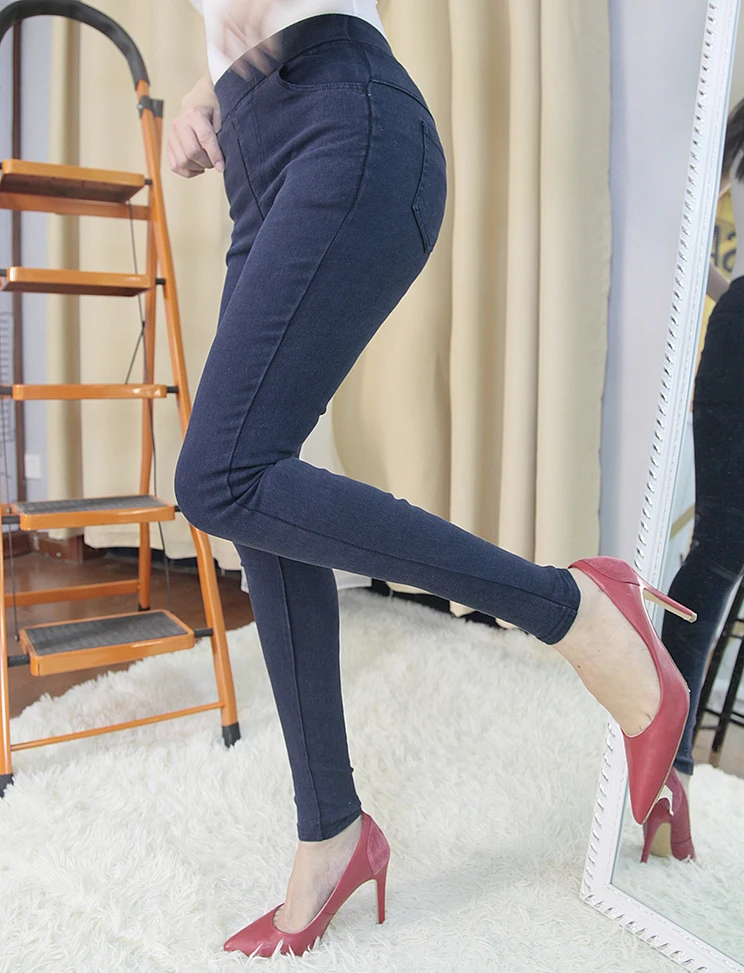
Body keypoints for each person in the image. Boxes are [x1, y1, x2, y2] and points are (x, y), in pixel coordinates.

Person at [169, 0, 695, 956]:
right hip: (256, 147)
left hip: (343, 115)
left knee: (222, 475)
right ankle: (331, 831)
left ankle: (575, 611)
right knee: (255, 485)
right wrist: (204, 89)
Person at [648, 93, 744, 863]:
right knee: (717, 556)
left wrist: (731, 295)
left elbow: (687, 228)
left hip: (737, 329)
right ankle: (669, 759)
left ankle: (666, 755)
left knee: (714, 553)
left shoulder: (740, 123)